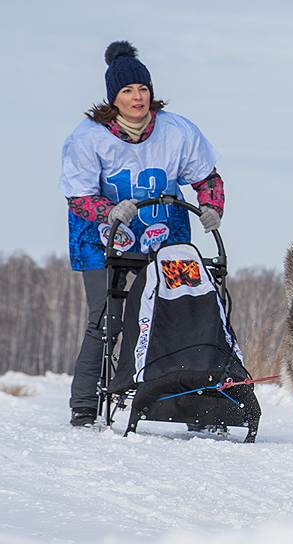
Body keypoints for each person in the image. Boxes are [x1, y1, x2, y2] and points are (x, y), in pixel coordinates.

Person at [59, 41, 226, 426]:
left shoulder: (177, 131)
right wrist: (108, 210)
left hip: (165, 236)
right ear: (113, 99)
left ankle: (190, 400)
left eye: (143, 89)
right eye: (128, 91)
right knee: (107, 318)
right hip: (103, 240)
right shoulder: (87, 139)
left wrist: (212, 206)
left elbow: (207, 177)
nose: (138, 97)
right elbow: (79, 196)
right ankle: (85, 403)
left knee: (182, 311)